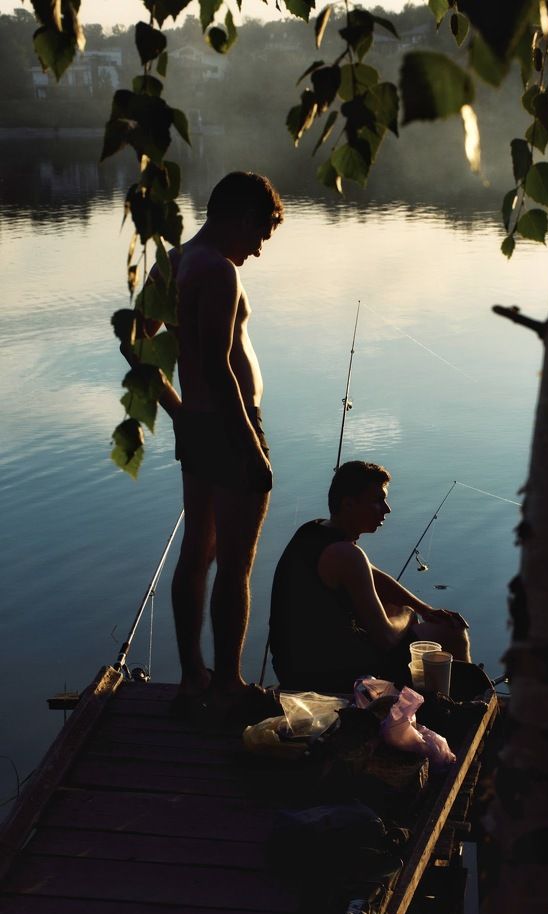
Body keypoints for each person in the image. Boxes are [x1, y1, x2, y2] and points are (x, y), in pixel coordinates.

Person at [129, 172, 284, 720]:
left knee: (197, 553)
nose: (258, 249)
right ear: (240, 217)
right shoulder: (218, 269)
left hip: (199, 426)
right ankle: (228, 686)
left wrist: (178, 412)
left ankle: (193, 676)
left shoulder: (174, 261)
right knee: (234, 565)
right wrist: (252, 450)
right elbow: (220, 369)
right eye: (261, 233)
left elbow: (133, 340)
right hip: (230, 427)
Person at [269, 461, 471, 692]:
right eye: (378, 501)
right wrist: (408, 614)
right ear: (348, 504)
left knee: (393, 609)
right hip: (331, 676)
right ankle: (466, 700)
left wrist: (424, 608)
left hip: (293, 666)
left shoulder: (313, 530)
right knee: (451, 632)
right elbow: (386, 638)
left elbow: (373, 576)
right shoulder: (347, 554)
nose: (387, 509)